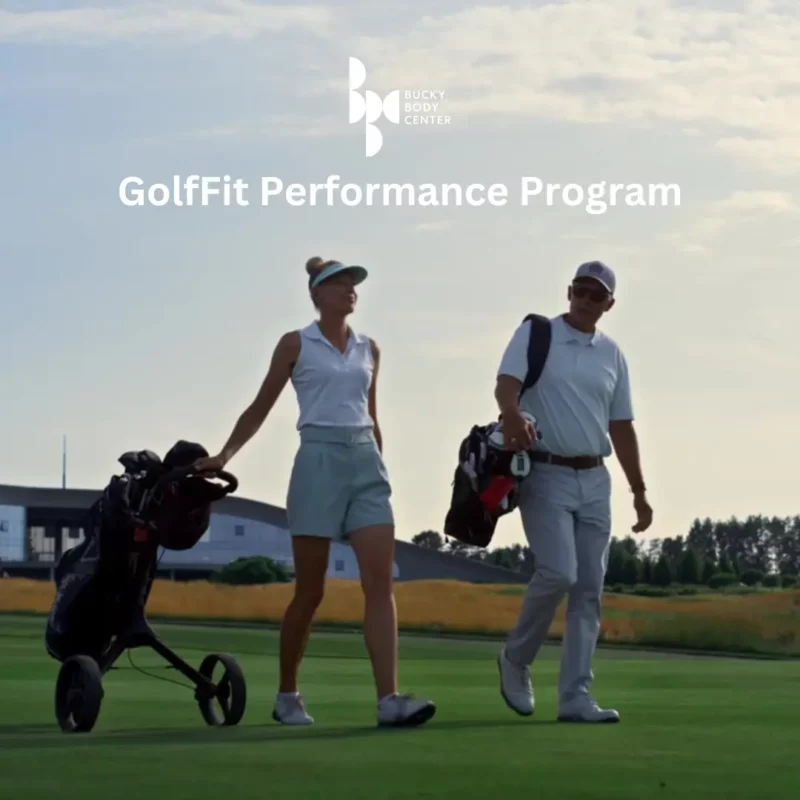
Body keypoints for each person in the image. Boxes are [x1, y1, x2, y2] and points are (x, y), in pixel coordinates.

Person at [193, 256, 436, 729]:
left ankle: (389, 699)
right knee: (310, 591)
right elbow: (260, 406)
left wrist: (380, 462)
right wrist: (225, 454)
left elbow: (371, 411)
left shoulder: (371, 348)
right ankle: (287, 695)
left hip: (365, 462)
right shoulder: (294, 343)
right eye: (339, 282)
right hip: (317, 460)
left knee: (379, 583)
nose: (350, 289)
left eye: (353, 283)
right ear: (316, 294)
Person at [493, 260, 652, 723]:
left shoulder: (612, 354)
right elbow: (507, 385)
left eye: (595, 295)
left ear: (609, 305)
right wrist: (511, 413)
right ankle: (516, 661)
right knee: (559, 572)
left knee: (588, 590)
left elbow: (621, 426)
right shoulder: (537, 334)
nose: (585, 299)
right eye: (579, 290)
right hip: (544, 471)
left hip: (595, 478)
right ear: (568, 292)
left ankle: (576, 696)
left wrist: (638, 490)